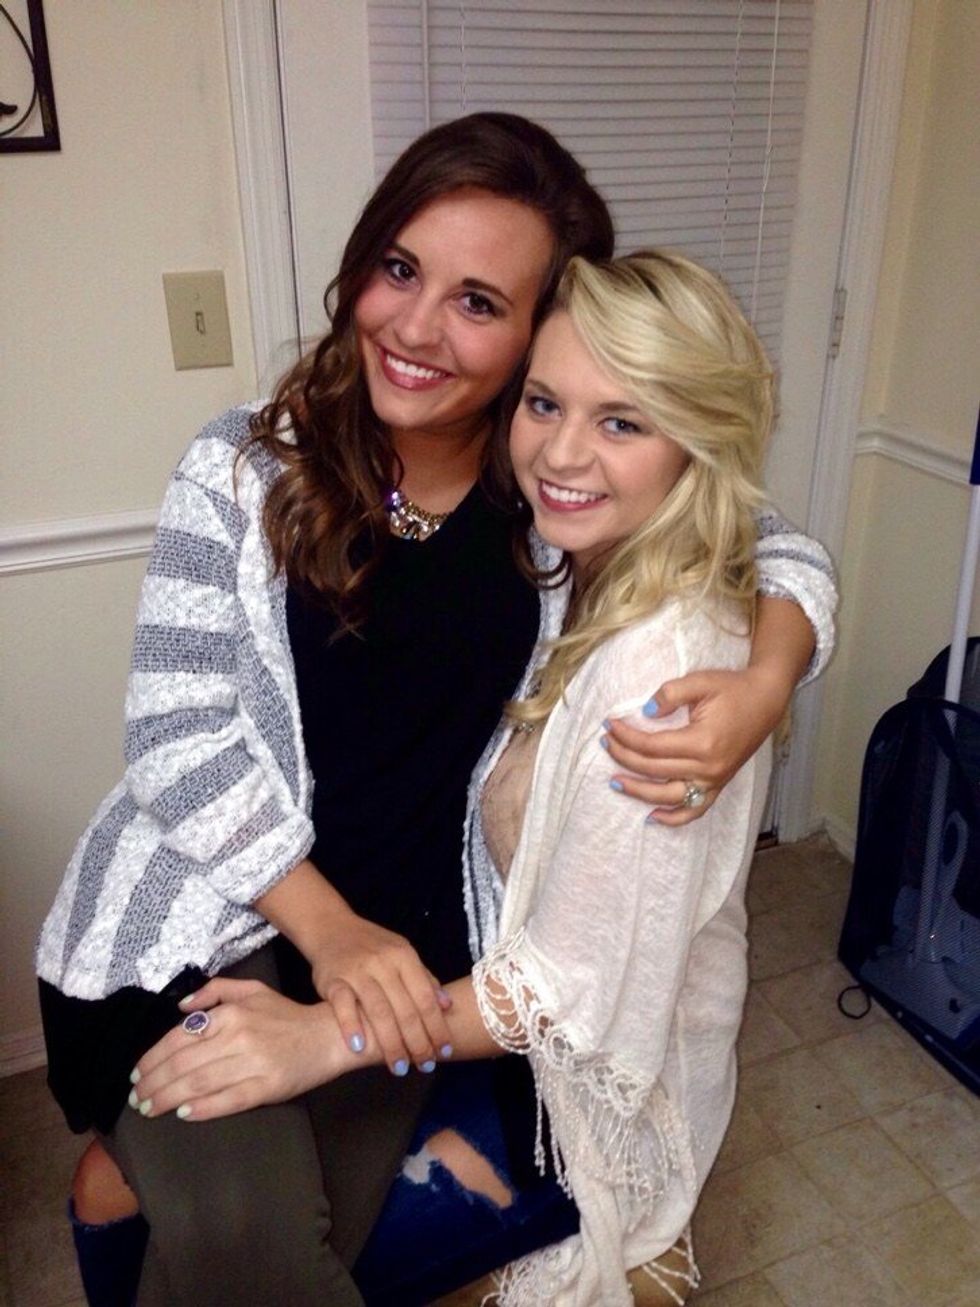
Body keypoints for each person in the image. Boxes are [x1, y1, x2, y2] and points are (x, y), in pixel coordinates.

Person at [36, 113, 834, 1305]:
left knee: (269, 1247)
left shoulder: (550, 485)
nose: (413, 328)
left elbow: (764, 536)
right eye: (399, 268)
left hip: (408, 946)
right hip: (199, 924)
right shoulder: (243, 466)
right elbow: (174, 737)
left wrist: (767, 678)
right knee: (245, 1231)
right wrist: (332, 935)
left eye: (477, 301)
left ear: (537, 332)